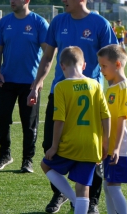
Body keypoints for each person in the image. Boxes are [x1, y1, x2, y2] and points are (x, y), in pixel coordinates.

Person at [27, 0, 118, 214]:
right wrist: (37, 84)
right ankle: (60, 196)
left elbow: (113, 60)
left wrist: (114, 91)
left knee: (93, 151)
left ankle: (91, 202)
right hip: (60, 94)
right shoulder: (58, 21)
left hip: (90, 97)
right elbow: (47, 57)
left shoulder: (100, 24)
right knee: (51, 146)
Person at [41, 46, 111, 214]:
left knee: (46, 165)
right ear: (84, 65)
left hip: (69, 144)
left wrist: (54, 146)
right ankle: (76, 201)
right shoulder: (95, 85)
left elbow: (59, 120)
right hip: (91, 145)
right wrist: (105, 143)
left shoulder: (61, 87)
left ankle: (70, 197)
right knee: (83, 188)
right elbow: (106, 116)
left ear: (62, 66)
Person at [0, 0, 49, 173]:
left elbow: (49, 54)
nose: (12, 1)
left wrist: (38, 82)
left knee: (29, 123)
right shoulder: (4, 22)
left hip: (30, 84)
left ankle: (27, 160)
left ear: (26, 0)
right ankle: (5, 155)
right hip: (6, 81)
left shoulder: (39, 23)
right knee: (2, 119)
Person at [97, 44, 127, 214]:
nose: (101, 70)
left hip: (120, 148)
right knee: (107, 186)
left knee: (113, 188)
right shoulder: (112, 88)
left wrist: (115, 147)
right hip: (111, 146)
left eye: (104, 66)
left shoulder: (124, 89)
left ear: (118, 64)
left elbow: (122, 122)